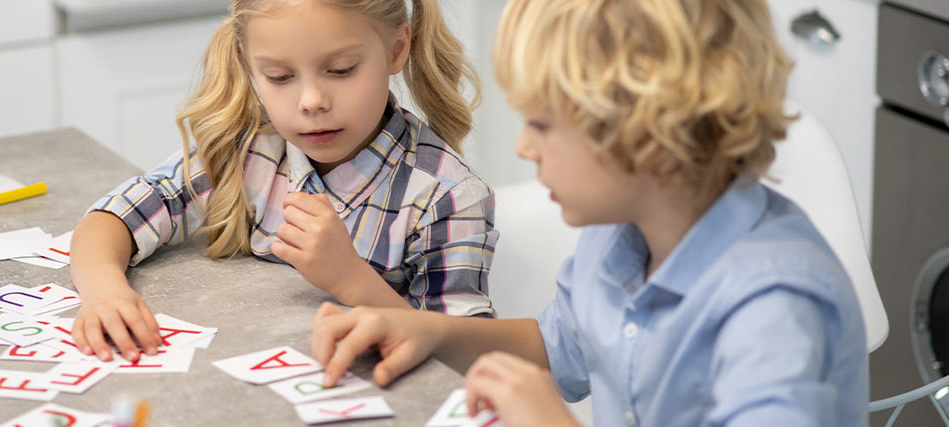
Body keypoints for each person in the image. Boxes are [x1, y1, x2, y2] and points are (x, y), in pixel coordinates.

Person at [310, 0, 869, 425]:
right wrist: (428, 330)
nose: (523, 148)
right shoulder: (620, 237)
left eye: (544, 125)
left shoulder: (772, 306)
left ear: (647, 132)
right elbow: (556, 349)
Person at [69, 0, 499, 363]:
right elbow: (118, 214)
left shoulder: (447, 195)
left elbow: (468, 357)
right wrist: (105, 293)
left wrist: (351, 279)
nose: (312, 101)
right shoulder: (247, 150)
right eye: (279, 77)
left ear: (396, 49)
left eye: (342, 69)